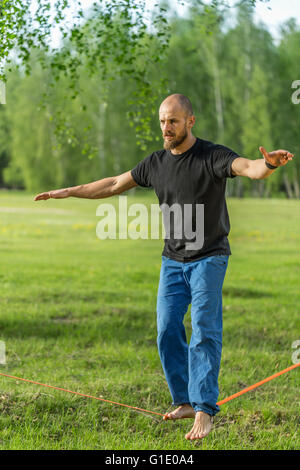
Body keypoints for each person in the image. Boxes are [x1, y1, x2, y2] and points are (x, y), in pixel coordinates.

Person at [35, 93, 295, 440]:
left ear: (190, 121)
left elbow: (250, 168)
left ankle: (204, 409)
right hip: (172, 260)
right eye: (162, 121)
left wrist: (271, 164)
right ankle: (185, 400)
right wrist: (67, 191)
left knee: (204, 328)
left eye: (173, 121)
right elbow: (114, 184)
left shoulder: (212, 156)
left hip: (209, 256)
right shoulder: (155, 163)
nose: (166, 128)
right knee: (166, 329)